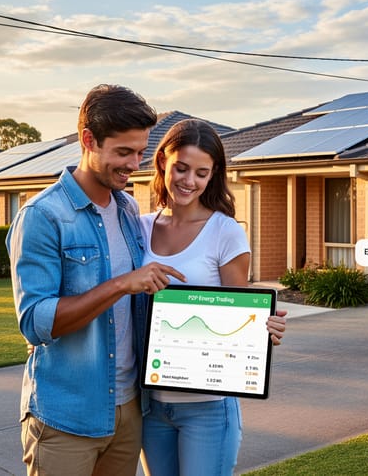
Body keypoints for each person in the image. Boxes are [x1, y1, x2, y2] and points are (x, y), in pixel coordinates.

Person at [7, 84, 185, 476]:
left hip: (128, 411)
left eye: (140, 152)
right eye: (123, 152)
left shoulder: (126, 208)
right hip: (66, 417)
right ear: (88, 140)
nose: (135, 164)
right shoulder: (43, 216)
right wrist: (122, 283)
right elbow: (36, 323)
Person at [139, 118, 288, 476]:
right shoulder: (139, 227)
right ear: (163, 162)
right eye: (181, 168)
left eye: (201, 173)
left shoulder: (225, 232)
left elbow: (240, 314)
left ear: (213, 175)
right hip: (149, 405)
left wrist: (263, 330)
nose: (189, 181)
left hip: (208, 408)